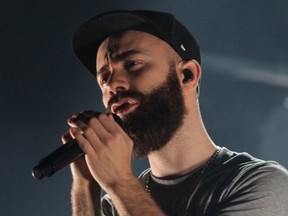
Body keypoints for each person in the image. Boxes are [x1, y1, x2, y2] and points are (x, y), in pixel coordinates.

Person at [62, 10, 288, 216]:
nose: (113, 84)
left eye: (132, 64)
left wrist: (120, 182)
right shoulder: (114, 205)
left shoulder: (261, 184)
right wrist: (85, 185)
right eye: (103, 78)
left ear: (187, 75)